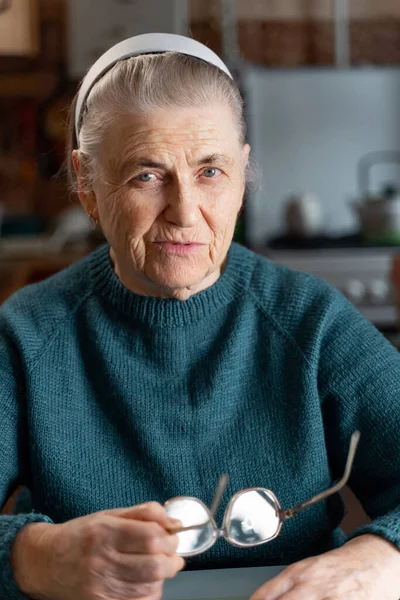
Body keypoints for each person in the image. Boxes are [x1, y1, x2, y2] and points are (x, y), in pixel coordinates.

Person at [1, 32, 400, 600]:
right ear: (87, 185)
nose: (185, 211)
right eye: (147, 173)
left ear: (242, 174)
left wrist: (383, 556)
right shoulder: (27, 335)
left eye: (210, 171)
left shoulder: (310, 322)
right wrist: (35, 556)